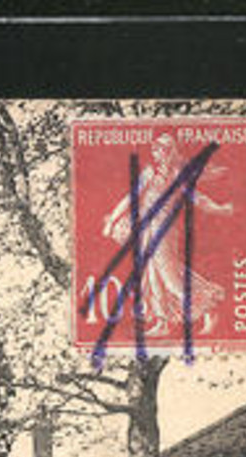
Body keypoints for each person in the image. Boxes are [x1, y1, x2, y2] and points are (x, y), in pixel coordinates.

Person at [100, 132, 233, 337]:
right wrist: (112, 220)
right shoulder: (149, 173)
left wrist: (220, 209)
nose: (157, 153)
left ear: (171, 152)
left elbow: (198, 198)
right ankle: (163, 322)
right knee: (152, 278)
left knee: (171, 278)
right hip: (146, 230)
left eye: (162, 150)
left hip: (165, 232)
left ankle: (208, 310)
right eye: (155, 149)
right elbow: (131, 198)